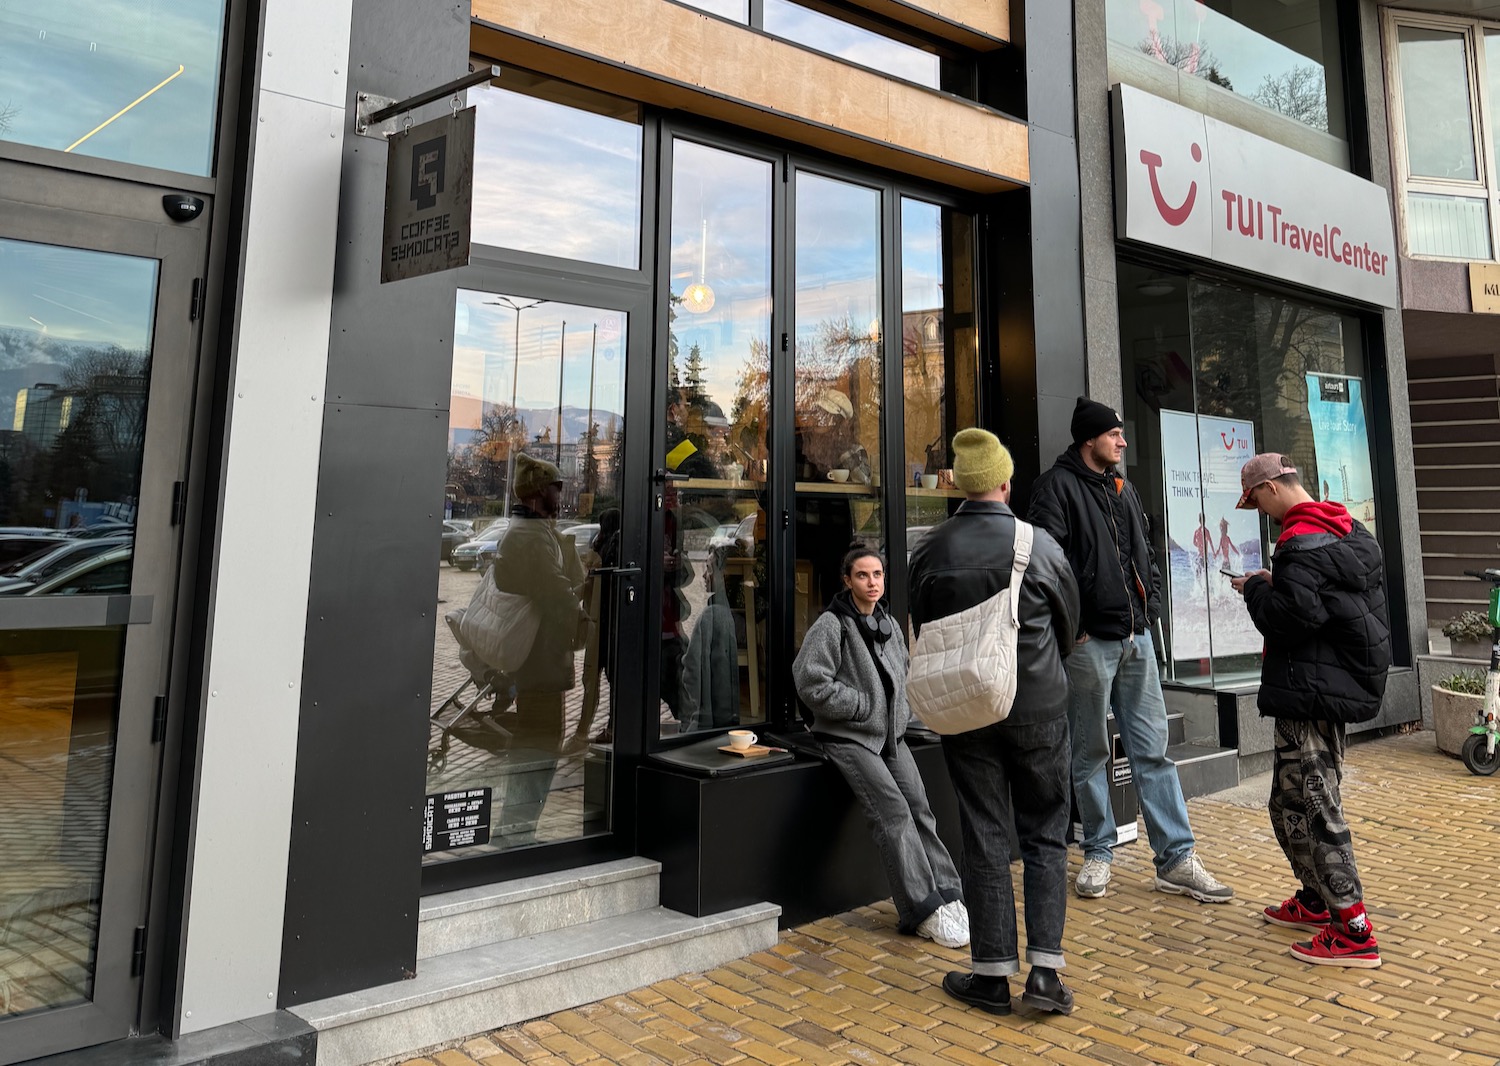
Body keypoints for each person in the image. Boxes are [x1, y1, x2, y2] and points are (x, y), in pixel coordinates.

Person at [1029, 397, 1233, 904]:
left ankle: (1176, 859)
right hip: (1089, 643)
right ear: (1090, 439)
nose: (1122, 441)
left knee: (1154, 752)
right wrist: (1071, 625)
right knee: (1089, 752)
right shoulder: (1055, 488)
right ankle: (1099, 850)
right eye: (1114, 434)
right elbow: (1044, 566)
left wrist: (1153, 612)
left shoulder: (1123, 487)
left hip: (1136, 637)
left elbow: (1146, 553)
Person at [909, 428, 1081, 1017]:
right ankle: (1045, 976)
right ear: (1006, 482)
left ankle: (990, 975)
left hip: (965, 709)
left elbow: (922, 623)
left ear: (955, 483)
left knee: (984, 834)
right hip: (1037, 705)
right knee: (1044, 834)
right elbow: (1069, 624)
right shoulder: (1038, 544)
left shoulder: (929, 550)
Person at [1229, 453, 1389, 968]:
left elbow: (1290, 620)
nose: (1260, 511)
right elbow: (1321, 605)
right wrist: (1279, 586)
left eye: (1257, 501)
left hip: (1310, 690)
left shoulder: (1296, 544)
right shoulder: (1345, 529)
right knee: (1286, 803)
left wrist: (1256, 588)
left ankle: (1353, 927)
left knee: (1317, 806)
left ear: (1273, 489)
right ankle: (1318, 898)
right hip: (1324, 687)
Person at [792, 546, 969, 951]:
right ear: (846, 580)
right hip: (849, 737)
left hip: (891, 737)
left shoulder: (886, 621)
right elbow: (808, 679)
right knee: (893, 813)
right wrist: (860, 706)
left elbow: (904, 671)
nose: (872, 583)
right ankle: (922, 910)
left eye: (878, 575)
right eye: (863, 576)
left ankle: (949, 895)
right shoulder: (832, 624)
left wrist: (902, 711)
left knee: (920, 809)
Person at [492, 453, 585, 843]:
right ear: (535, 492)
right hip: (540, 662)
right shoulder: (531, 537)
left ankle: (516, 828)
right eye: (555, 486)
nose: (560, 494)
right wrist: (587, 630)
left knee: (537, 746)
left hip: (535, 660)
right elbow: (559, 596)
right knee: (539, 749)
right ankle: (515, 832)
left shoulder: (531, 532)